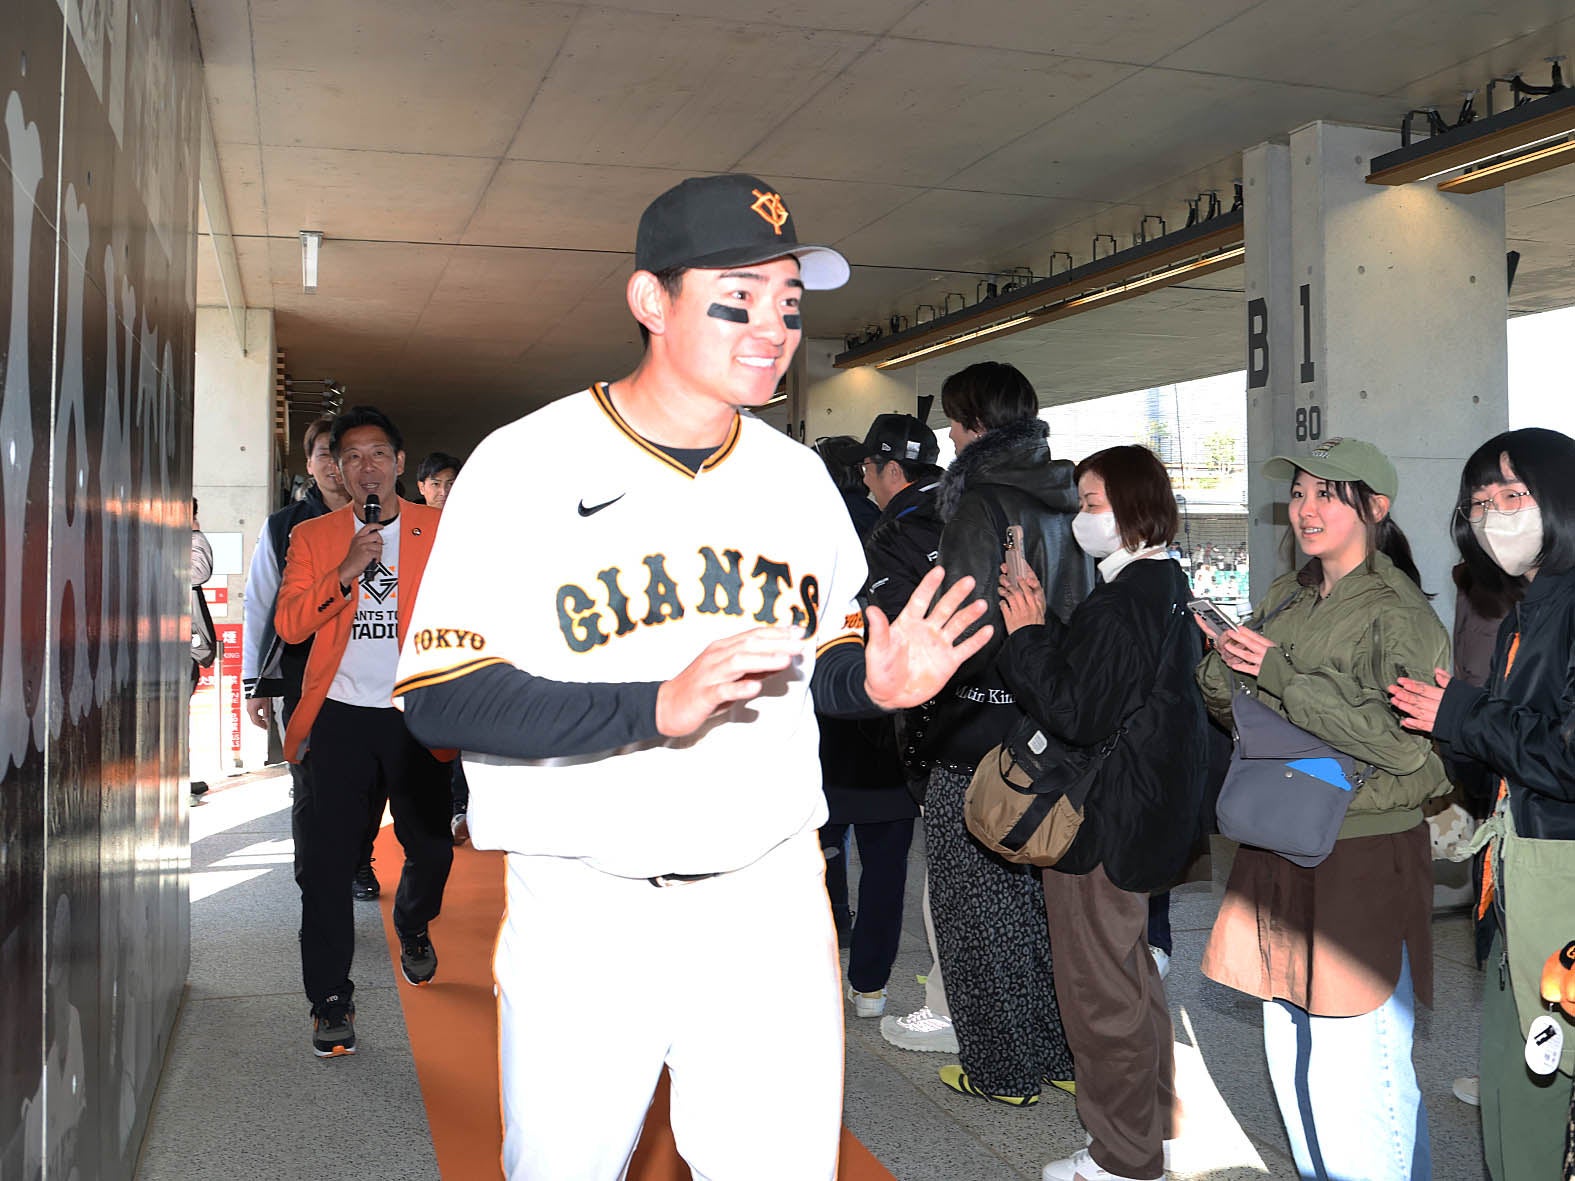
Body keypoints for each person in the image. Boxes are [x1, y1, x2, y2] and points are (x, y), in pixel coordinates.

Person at [390, 173, 992, 1180]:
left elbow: (821, 653)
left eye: (788, 305)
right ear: (651, 300)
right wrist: (654, 707)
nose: (773, 329)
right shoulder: (525, 462)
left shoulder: (797, 478)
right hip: (587, 901)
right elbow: (441, 694)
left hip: (769, 895)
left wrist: (874, 682)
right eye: (737, 300)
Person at [1196, 437, 1450, 1180]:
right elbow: (1240, 712)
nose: (1306, 508)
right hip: (1280, 834)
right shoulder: (1287, 594)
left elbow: (1404, 748)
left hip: (1359, 850)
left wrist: (1278, 672)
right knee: (1292, 1055)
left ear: (1375, 508)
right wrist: (1224, 663)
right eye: (1300, 492)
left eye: (1327, 494)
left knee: (1358, 1071)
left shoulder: (1399, 612)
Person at [996, 445, 1205, 1181]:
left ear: (1134, 508)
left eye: (1091, 503)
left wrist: (1025, 634)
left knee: (1099, 994)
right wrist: (1049, 626)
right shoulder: (1161, 583)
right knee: (1132, 977)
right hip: (1142, 815)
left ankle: (1122, 1157)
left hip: (1100, 823)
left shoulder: (1124, 599)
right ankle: (1156, 1129)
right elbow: (1109, 686)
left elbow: (1076, 713)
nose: (1081, 518)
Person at [1389, 427, 1575, 1180]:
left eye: (1513, 494)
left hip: (1559, 888)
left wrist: (1464, 716)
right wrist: (1452, 727)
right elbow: (1510, 756)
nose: (1495, 514)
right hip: (1517, 884)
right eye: (1479, 501)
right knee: (1513, 1090)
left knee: (1536, 1096)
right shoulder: (1529, 608)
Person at [923, 360, 1092, 1106]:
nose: (949, 437)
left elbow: (963, 624)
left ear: (976, 425)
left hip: (978, 727)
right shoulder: (1073, 496)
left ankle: (999, 1070)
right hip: (1052, 721)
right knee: (1038, 906)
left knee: (971, 908)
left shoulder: (979, 502)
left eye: (954, 423)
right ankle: (1056, 1053)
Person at [274, 405, 454, 1058]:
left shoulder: (442, 530)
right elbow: (291, 623)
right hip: (340, 717)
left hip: (415, 714)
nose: (366, 466)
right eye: (351, 456)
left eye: (378, 453)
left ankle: (413, 922)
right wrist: (345, 570)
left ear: (399, 462)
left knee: (431, 850)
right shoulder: (314, 537)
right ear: (339, 470)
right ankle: (329, 998)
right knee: (324, 867)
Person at [859, 413, 959, 1053]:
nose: (866, 481)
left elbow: (888, 634)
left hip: (937, 718)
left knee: (945, 875)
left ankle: (949, 1008)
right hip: (1005, 708)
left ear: (891, 469)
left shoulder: (895, 531)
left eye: (870, 470)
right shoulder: (973, 508)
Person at [811, 436, 918, 1016]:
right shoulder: (902, 534)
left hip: (824, 731)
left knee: (817, 854)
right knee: (885, 865)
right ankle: (870, 986)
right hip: (889, 728)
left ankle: (825, 954)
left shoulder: (811, 539)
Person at [241, 416, 352, 833]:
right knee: (310, 782)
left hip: (376, 675)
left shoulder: (389, 520)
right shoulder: (283, 526)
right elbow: (260, 604)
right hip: (302, 674)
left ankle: (359, 858)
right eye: (325, 454)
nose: (335, 464)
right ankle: (316, 864)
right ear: (309, 464)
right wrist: (256, 683)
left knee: (369, 782)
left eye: (344, 454)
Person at [411, 450, 473, 844]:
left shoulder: (473, 523)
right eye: (436, 483)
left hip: (463, 643)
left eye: (451, 483)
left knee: (460, 732)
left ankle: (459, 808)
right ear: (421, 486)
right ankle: (434, 809)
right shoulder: (406, 527)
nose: (444, 491)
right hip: (416, 645)